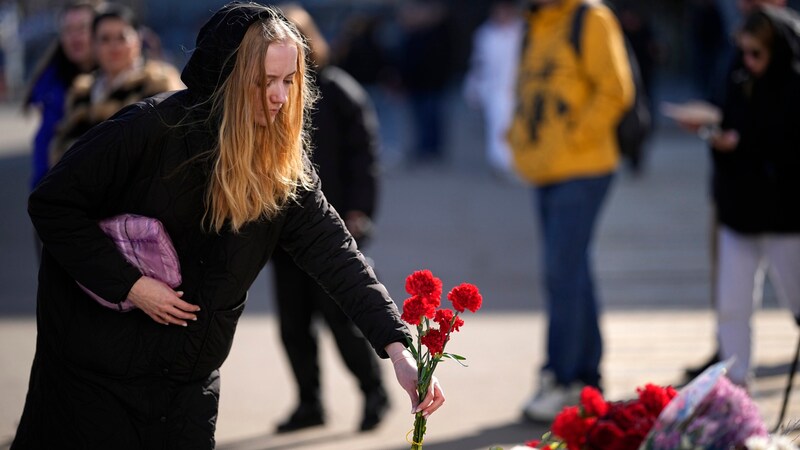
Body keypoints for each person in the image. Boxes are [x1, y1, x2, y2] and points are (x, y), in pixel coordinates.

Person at [11, 3, 443, 449]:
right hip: (92, 375)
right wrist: (131, 284)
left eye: (289, 81)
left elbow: (336, 253)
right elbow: (52, 204)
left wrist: (398, 349)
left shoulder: (283, 166)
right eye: (264, 82)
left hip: (185, 382)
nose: (279, 96)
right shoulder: (149, 128)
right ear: (228, 79)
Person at [507, 0, 633, 421]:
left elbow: (616, 89)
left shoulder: (590, 17)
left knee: (561, 272)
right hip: (545, 170)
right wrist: (519, 142)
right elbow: (526, 91)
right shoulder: (535, 23)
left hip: (584, 168)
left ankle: (561, 377)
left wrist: (573, 138)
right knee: (573, 271)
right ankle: (585, 380)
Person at [270, 4, 389, 433]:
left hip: (333, 228)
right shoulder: (270, 93)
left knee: (343, 324)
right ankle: (309, 404)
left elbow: (365, 159)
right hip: (283, 233)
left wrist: (359, 212)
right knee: (292, 328)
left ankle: (373, 391)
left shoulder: (337, 91)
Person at [701, 6, 800, 389]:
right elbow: (724, 119)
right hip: (738, 211)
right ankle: (734, 392)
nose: (748, 60)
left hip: (786, 218)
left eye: (757, 53)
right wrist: (715, 137)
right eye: (743, 51)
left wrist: (743, 143)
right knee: (732, 307)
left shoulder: (793, 84)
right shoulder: (736, 75)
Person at [48, 3, 184, 165]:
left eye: (122, 38)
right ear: (94, 45)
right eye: (105, 39)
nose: (114, 46)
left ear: (137, 41)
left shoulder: (157, 84)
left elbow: (170, 147)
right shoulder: (82, 90)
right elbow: (62, 148)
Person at [22, 2, 96, 190]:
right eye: (68, 30)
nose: (74, 36)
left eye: (82, 28)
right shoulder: (51, 84)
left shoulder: (121, 81)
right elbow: (44, 147)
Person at [462, 0, 524, 178]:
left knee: (516, 128)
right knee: (497, 127)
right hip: (494, 89)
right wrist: (473, 87)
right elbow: (479, 63)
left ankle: (516, 163)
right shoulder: (485, 34)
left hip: (517, 88)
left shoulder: (522, 31)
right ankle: (500, 164)